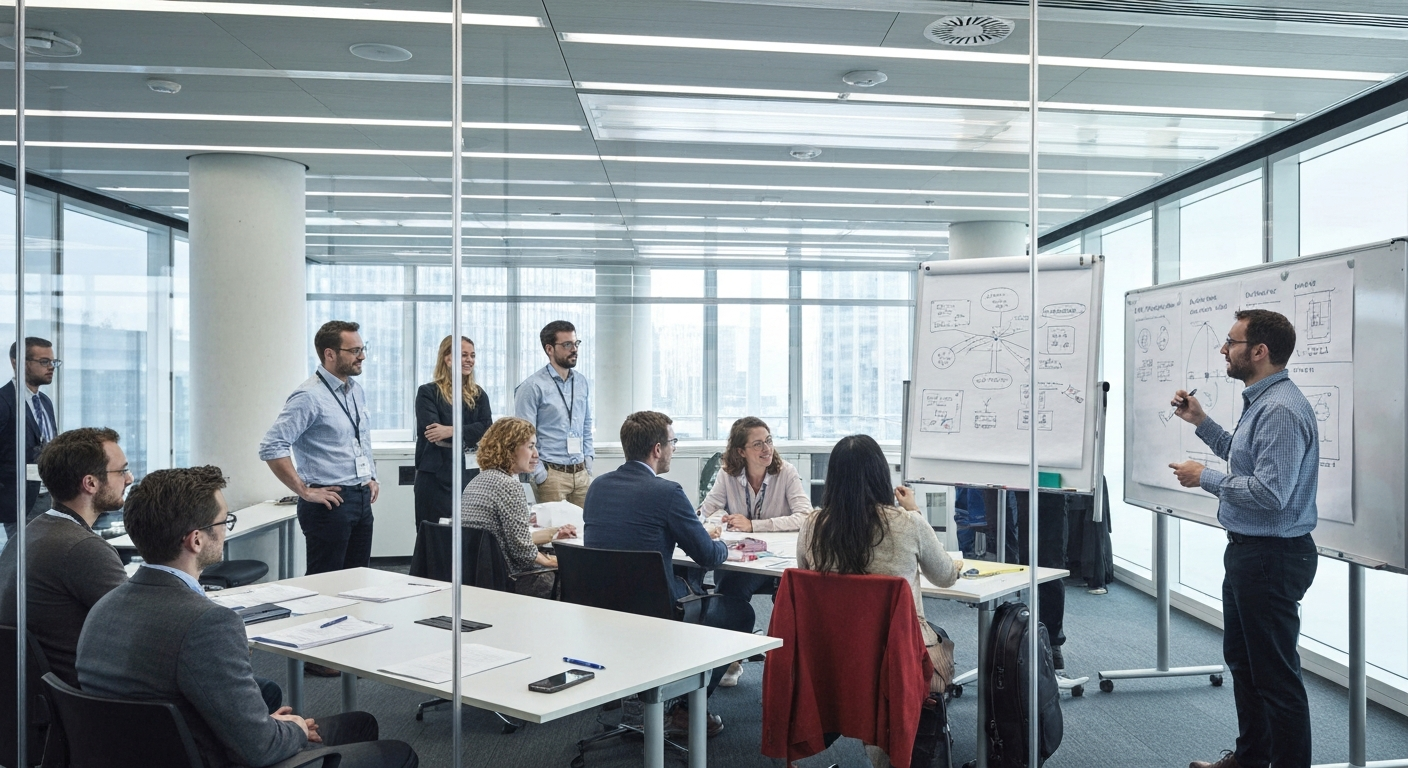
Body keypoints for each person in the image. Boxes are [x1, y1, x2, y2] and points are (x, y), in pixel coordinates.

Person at [76, 466, 418, 768]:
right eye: (223, 522)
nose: (225, 529)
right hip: (215, 757)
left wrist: (266, 723)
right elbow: (260, 749)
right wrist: (292, 729)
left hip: (148, 753)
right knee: (397, 752)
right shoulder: (207, 623)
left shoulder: (105, 606)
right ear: (196, 540)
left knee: (357, 724)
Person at [1170, 309, 1319, 768]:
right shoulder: (1263, 402)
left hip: (1271, 558)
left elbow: (1271, 494)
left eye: (1231, 342)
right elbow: (1246, 458)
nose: (1223, 349)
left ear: (1260, 351)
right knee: (1245, 664)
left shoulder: (1279, 408)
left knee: (1275, 678)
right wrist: (1202, 421)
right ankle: (1252, 759)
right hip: (1251, 554)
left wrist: (1205, 478)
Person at [583, 411, 754, 738]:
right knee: (738, 612)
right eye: (673, 442)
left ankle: (639, 696)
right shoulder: (667, 492)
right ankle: (685, 712)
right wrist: (720, 544)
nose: (675, 449)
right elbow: (706, 556)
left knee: (684, 584)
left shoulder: (598, 487)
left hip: (600, 613)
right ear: (658, 449)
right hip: (655, 614)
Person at [796, 434, 962, 768]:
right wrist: (915, 511)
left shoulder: (812, 525)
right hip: (898, 658)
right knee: (940, 638)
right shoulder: (906, 523)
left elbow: (807, 580)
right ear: (880, 476)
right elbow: (945, 575)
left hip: (836, 655)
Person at [0, 427, 129, 686]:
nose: (129, 478)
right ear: (90, 483)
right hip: (80, 703)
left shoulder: (26, 535)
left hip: (32, 704)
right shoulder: (83, 548)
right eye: (122, 470)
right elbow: (142, 628)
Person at [260, 320, 379, 576]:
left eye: (362, 348)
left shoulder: (356, 391)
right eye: (355, 351)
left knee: (358, 580)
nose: (363, 356)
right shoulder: (309, 396)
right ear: (330, 354)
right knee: (326, 585)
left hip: (360, 499)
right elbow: (272, 446)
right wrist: (303, 491)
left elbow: (360, 437)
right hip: (329, 505)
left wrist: (370, 476)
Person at [698, 416, 812, 685]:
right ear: (741, 451)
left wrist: (754, 525)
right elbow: (705, 511)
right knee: (728, 586)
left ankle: (789, 667)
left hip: (778, 560)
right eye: (758, 444)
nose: (767, 449)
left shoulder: (786, 472)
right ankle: (731, 657)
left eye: (769, 441)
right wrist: (720, 519)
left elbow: (805, 516)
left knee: (790, 599)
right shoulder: (728, 475)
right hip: (744, 558)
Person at [461, 417, 575, 597]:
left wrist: (553, 535)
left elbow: (503, 539)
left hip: (476, 576)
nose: (536, 454)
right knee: (572, 577)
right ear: (510, 449)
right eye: (530, 447)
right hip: (510, 578)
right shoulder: (509, 486)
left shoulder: (476, 481)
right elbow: (523, 553)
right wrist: (553, 561)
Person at [414, 335, 492, 527]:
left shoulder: (478, 395)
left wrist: (451, 430)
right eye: (464, 355)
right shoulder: (428, 392)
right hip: (436, 478)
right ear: (448, 359)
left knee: (469, 534)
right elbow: (434, 434)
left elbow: (487, 429)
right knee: (435, 536)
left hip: (469, 475)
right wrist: (469, 433)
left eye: (472, 355)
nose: (470, 360)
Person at [514, 320, 593, 505]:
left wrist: (588, 461)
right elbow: (523, 436)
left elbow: (586, 423)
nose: (574, 349)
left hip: (581, 474)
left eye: (576, 343)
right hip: (551, 476)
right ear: (549, 349)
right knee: (555, 532)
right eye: (567, 345)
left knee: (583, 530)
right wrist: (540, 474)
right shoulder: (532, 387)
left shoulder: (581, 382)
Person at [0, 336, 59, 535]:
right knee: (21, 564)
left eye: (53, 362)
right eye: (44, 362)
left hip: (51, 499)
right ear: (17, 362)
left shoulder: (45, 402)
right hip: (20, 502)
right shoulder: (3, 402)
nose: (51, 367)